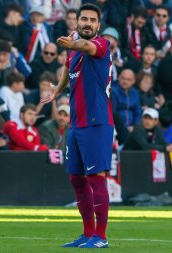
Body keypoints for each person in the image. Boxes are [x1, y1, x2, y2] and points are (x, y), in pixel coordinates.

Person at [40, 3, 113, 248]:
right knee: (76, 178)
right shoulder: (72, 50)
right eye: (84, 19)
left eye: (93, 20)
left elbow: (86, 46)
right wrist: (56, 90)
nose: (88, 23)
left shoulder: (102, 44)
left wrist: (73, 43)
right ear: (77, 21)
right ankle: (87, 233)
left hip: (97, 122)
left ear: (98, 25)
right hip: (77, 123)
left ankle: (101, 237)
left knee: (95, 176)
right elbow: (66, 68)